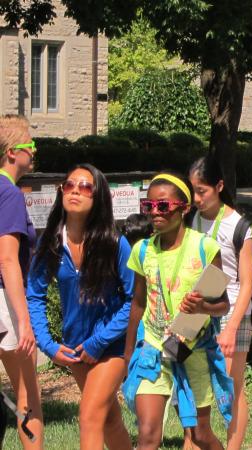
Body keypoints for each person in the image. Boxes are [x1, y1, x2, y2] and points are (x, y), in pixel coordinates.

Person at [27, 164, 133, 450]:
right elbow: (34, 296)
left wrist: (100, 340)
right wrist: (48, 345)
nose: (75, 190)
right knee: (109, 419)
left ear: (97, 196)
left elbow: (134, 299)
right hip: (76, 348)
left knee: (88, 417)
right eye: (69, 184)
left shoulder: (115, 243)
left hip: (113, 343)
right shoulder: (50, 243)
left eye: (85, 186)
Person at [123, 173, 231, 450]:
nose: (154, 213)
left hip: (191, 348)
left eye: (163, 206)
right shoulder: (142, 250)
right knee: (147, 433)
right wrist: (127, 356)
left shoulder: (204, 248)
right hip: (152, 350)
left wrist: (202, 306)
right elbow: (138, 304)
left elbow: (222, 305)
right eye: (148, 207)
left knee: (199, 435)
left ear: (184, 209)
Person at [187, 157, 252, 450]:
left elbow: (247, 283)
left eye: (202, 191)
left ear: (220, 186)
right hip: (199, 303)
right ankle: (194, 442)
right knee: (189, 382)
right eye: (193, 191)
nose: (197, 198)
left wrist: (230, 329)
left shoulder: (238, 225)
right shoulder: (193, 219)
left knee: (229, 385)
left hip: (233, 308)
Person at [0, 114, 43, 449]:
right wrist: (24, 320)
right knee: (28, 395)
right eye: (30, 145)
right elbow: (8, 259)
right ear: (13, 152)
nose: (34, 151)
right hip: (5, 300)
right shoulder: (9, 195)